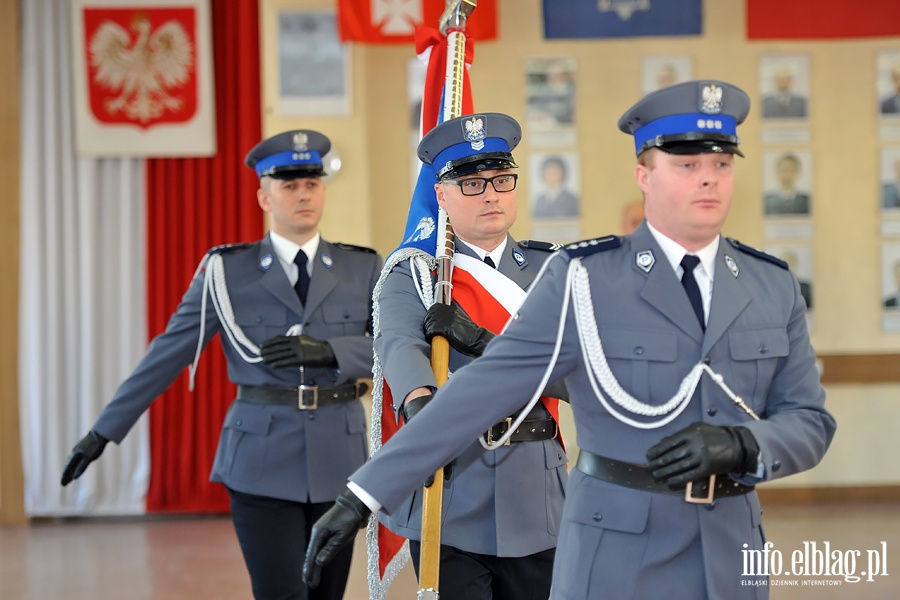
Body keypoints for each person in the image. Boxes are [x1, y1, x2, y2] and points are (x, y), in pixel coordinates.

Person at [303, 81, 837, 600]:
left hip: (670, 528)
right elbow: (417, 356)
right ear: (645, 176)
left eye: (721, 164)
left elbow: (807, 420)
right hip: (574, 524)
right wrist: (369, 486)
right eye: (686, 165)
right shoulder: (564, 275)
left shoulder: (770, 283)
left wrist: (745, 445)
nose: (708, 181)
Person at [61, 129, 383, 600]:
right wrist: (103, 432)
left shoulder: (363, 268)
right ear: (263, 196)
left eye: (311, 183)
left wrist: (332, 353)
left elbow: (391, 349)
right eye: (289, 185)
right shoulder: (227, 272)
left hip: (340, 459)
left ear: (324, 190)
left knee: (326, 596)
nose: (303, 194)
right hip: (259, 460)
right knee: (282, 594)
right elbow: (167, 353)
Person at [375, 113, 568, 599]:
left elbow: (579, 376)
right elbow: (400, 345)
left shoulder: (556, 271)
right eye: (472, 183)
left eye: (502, 180)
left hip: (536, 493)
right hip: (452, 486)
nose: (490, 194)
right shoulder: (416, 275)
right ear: (440, 195)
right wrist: (420, 401)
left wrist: (484, 342)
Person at [532, 155, 580, 219]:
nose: (551, 176)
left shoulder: (572, 199)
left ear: (562, 174)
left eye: (554, 172)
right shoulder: (540, 200)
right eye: (548, 173)